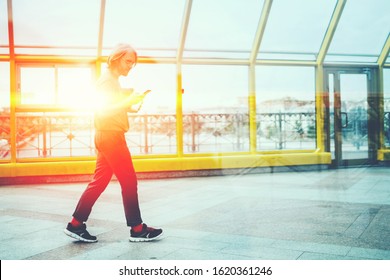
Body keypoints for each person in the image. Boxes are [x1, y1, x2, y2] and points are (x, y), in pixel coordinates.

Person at [64, 43, 163, 243]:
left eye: (133, 64)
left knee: (99, 182)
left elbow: (113, 108)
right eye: (128, 61)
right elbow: (103, 110)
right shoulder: (107, 82)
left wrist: (132, 104)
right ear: (116, 58)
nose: (130, 66)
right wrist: (128, 101)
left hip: (106, 135)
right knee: (129, 182)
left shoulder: (112, 81)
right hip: (111, 137)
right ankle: (137, 229)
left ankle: (76, 224)